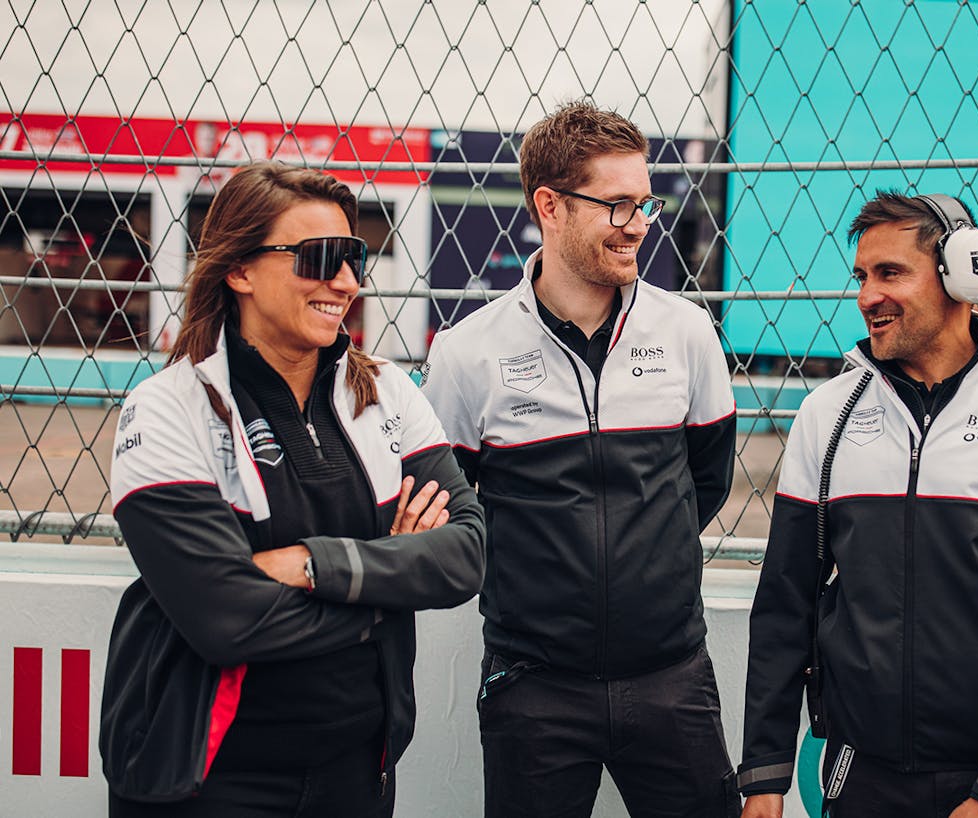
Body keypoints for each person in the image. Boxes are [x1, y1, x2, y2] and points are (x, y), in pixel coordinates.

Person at [102, 161, 486, 818]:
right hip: (210, 777)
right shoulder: (169, 410)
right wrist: (388, 588)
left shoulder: (386, 392)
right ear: (240, 269)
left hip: (356, 771)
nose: (345, 281)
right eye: (318, 258)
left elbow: (466, 554)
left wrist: (315, 565)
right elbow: (226, 619)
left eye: (354, 257)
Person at [738, 191, 978, 818]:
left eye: (890, 273)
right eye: (861, 276)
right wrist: (765, 775)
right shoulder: (825, 415)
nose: (866, 297)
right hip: (860, 778)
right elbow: (785, 604)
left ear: (962, 275)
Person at [421, 100, 740, 818]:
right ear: (550, 206)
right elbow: (451, 507)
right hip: (534, 685)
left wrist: (644, 560)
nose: (637, 224)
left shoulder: (687, 332)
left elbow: (706, 480)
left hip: (672, 678)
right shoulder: (470, 352)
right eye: (617, 204)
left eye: (646, 203)